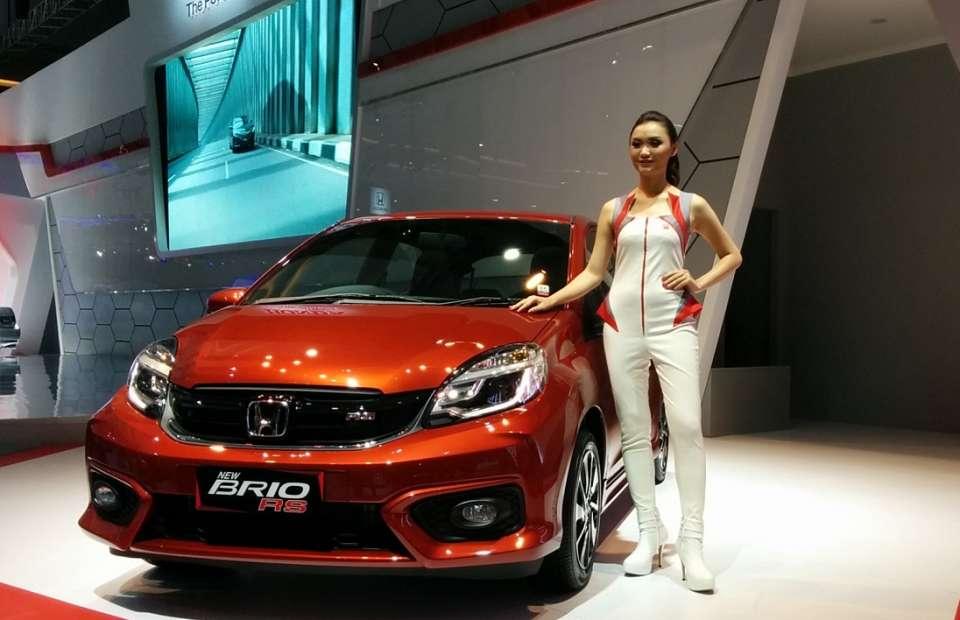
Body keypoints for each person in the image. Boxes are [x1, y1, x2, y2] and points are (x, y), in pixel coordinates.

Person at [511, 110, 742, 592]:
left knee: (686, 427)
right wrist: (550, 300)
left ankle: (692, 544)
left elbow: (732, 254)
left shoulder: (690, 205)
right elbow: (595, 273)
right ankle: (649, 534)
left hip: (672, 323)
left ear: (672, 148)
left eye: (654, 142)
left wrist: (698, 280)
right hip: (622, 327)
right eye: (637, 143)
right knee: (636, 432)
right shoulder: (614, 209)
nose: (644, 151)